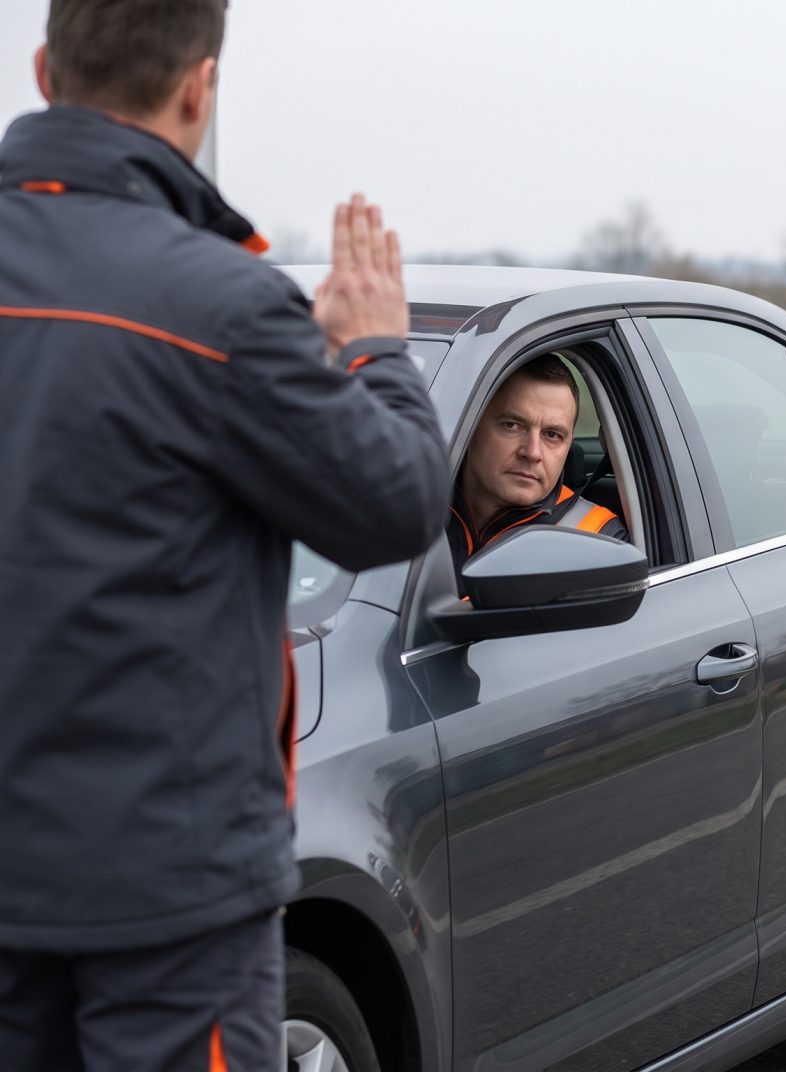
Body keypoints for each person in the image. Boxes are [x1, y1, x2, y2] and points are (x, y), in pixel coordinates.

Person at [0, 2, 449, 1068]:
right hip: (167, 901)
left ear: (41, 68)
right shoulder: (219, 305)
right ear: (199, 87)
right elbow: (394, 502)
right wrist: (377, 351)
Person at [448, 355, 627, 571]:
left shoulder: (599, 539)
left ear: (569, 445)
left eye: (552, 434)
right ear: (470, 427)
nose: (532, 452)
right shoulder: (408, 504)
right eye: (512, 426)